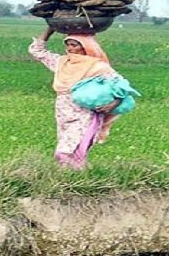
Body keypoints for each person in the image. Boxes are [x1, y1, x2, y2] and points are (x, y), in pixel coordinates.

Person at [29, 25, 124, 170]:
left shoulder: (96, 66)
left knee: (66, 152)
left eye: (74, 45)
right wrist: (50, 30)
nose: (70, 49)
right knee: (71, 151)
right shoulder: (61, 63)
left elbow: (120, 85)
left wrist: (113, 103)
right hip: (63, 112)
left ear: (85, 47)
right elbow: (37, 51)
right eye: (67, 45)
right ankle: (77, 179)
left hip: (84, 114)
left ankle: (77, 177)